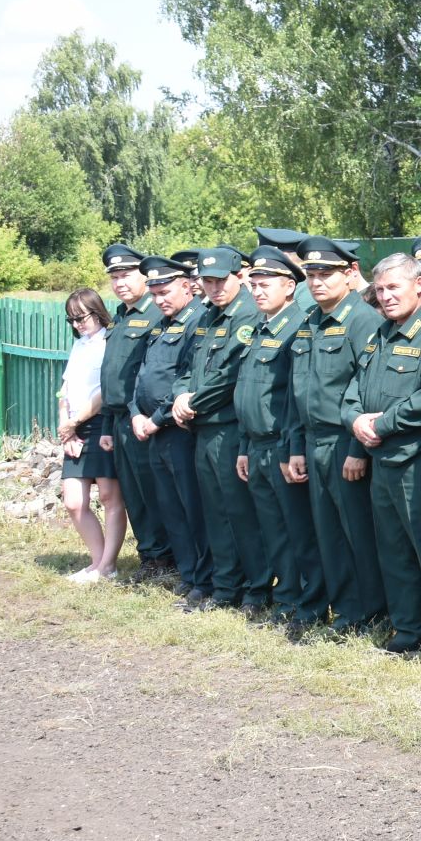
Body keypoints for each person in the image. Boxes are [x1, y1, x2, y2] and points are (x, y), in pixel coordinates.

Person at [342, 252, 421, 665]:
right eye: (380, 289)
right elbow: (354, 388)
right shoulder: (381, 333)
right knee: (395, 551)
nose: (385, 296)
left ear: (419, 285)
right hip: (383, 461)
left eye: (394, 287)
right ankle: (410, 629)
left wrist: (380, 426)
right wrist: (355, 420)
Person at [288, 236, 389, 636]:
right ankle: (347, 612)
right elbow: (299, 391)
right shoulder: (309, 320)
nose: (316, 281)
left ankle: (374, 613)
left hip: (345, 443)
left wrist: (356, 449)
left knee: (358, 534)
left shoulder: (365, 321)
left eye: (325, 273)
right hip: (312, 443)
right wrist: (297, 446)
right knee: (328, 534)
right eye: (310, 273)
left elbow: (367, 391)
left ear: (349, 275)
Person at [173, 247, 268, 615]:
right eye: (207, 282)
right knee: (215, 512)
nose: (213, 288)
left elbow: (229, 374)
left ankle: (256, 589)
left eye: (219, 281)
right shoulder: (207, 316)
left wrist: (192, 402)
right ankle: (225, 586)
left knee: (240, 514)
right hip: (204, 430)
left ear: (238, 277)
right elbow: (188, 365)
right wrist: (180, 396)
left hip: (229, 428)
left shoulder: (246, 314)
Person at [235, 246, 322, 637]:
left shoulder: (298, 327)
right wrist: (242, 446)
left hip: (281, 445)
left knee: (298, 531)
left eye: (266, 283)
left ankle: (309, 602)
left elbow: (293, 399)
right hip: (255, 444)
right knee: (272, 530)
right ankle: (285, 597)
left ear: (290, 286)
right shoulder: (259, 326)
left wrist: (292, 448)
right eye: (253, 283)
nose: (257, 290)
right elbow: (247, 392)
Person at [129, 255, 214, 604]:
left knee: (192, 507)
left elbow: (185, 379)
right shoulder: (162, 325)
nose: (160, 299)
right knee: (170, 508)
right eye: (155, 294)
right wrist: (135, 412)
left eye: (165, 291)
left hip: (178, 430)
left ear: (185, 286)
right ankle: (188, 572)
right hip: (152, 431)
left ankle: (204, 579)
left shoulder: (198, 321)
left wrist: (156, 418)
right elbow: (143, 374)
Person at [98, 243, 170, 581]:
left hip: (142, 418)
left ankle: (164, 557)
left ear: (143, 275)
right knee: (134, 493)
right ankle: (149, 556)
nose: (120, 282)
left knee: (152, 490)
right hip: (118, 418)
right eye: (114, 277)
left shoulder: (155, 313)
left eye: (126, 275)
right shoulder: (121, 315)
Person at [58, 288, 123, 582]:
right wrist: (66, 428)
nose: (77, 324)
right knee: (74, 501)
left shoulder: (110, 342)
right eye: (71, 320)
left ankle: (107, 565)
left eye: (81, 317)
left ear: (97, 311)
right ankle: (96, 561)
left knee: (110, 497)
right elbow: (65, 390)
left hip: (101, 424)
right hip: (74, 427)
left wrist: (75, 421)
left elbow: (104, 391)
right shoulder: (80, 345)